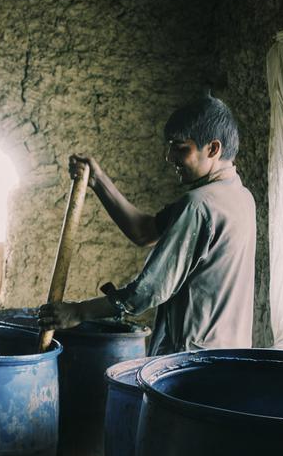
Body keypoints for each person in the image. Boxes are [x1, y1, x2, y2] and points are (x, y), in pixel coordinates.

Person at [38, 95, 256, 355]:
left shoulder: (198, 205)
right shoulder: (239, 196)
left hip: (193, 363)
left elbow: (147, 291)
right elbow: (144, 232)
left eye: (180, 147)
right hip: (228, 357)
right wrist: (98, 180)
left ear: (213, 149)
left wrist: (79, 311)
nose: (169, 157)